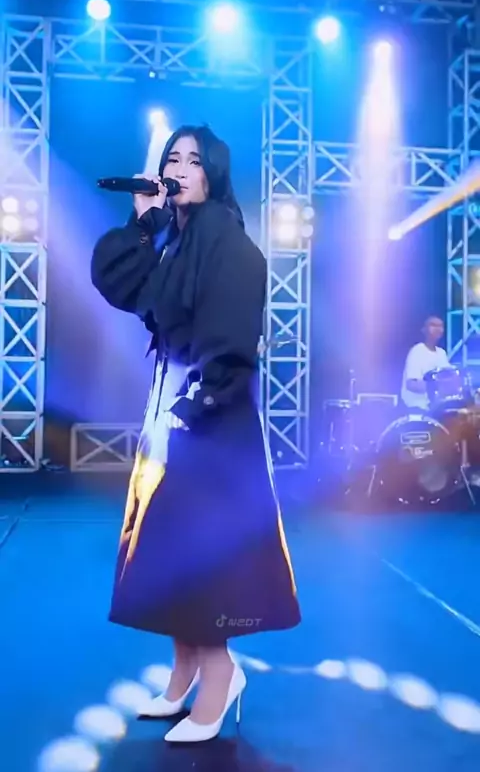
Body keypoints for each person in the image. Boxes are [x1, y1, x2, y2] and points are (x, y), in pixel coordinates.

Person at [91, 125, 301, 743]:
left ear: (213, 173)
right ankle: (183, 672)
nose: (179, 168)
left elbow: (232, 340)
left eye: (192, 160)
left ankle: (220, 674)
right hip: (173, 413)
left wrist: (200, 402)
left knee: (198, 557)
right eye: (171, 159)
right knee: (168, 552)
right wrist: (143, 221)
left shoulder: (224, 241)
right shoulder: (174, 243)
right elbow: (121, 285)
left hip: (209, 424)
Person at [400, 316, 450, 411]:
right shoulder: (417, 351)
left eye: (440, 326)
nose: (438, 329)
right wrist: (436, 387)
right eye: (433, 325)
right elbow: (411, 384)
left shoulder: (442, 353)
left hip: (437, 408)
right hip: (417, 408)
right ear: (424, 330)